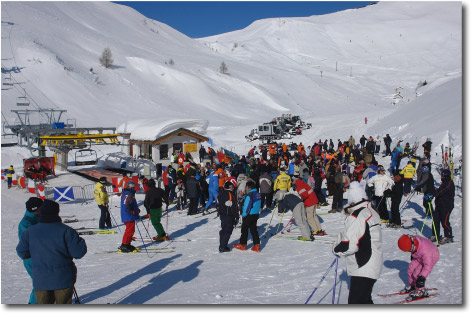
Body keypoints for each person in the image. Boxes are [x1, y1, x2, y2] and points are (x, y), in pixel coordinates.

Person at [16, 199, 87, 304]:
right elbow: (78, 253)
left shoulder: (30, 231)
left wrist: (37, 252)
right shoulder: (66, 230)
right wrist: (80, 241)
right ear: (57, 212)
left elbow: (22, 252)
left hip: (41, 278)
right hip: (62, 278)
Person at [333, 182, 382, 304]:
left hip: (363, 265)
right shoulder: (370, 210)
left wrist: (336, 249)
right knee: (365, 301)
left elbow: (350, 245)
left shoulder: (358, 215)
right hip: (371, 264)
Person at [397, 234, 439, 300]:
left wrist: (422, 277)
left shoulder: (426, 252)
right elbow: (410, 242)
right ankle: (413, 284)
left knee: (417, 274)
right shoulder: (414, 240)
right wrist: (412, 254)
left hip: (432, 256)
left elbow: (428, 266)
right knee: (410, 269)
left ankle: (421, 290)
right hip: (418, 255)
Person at [18, 197, 43, 304]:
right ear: (35, 210)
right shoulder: (26, 223)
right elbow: (34, 240)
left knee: (45, 282)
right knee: (40, 283)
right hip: (31, 258)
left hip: (42, 256)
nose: (41, 211)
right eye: (39, 209)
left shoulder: (38, 216)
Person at [233, 181, 262, 252]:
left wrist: (243, 215)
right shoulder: (257, 193)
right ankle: (257, 245)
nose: (245, 188)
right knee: (253, 230)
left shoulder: (249, 195)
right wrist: (244, 196)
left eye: (246, 187)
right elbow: (252, 199)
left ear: (248, 187)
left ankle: (242, 245)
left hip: (249, 215)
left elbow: (247, 206)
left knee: (244, 230)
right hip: (255, 214)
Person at [433, 169, 455, 244]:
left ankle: (448, 236)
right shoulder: (443, 183)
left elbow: (444, 191)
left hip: (446, 206)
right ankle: (436, 235)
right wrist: (433, 193)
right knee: (436, 220)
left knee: (444, 221)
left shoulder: (449, 183)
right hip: (439, 205)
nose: (441, 176)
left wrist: (436, 193)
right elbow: (439, 190)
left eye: (442, 175)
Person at [217, 181, 239, 252]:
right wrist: (237, 216)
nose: (233, 188)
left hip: (222, 215)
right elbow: (234, 206)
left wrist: (219, 211)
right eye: (232, 187)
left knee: (223, 229)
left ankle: (222, 244)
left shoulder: (220, 194)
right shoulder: (231, 194)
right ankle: (223, 247)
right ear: (230, 187)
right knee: (228, 231)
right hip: (229, 215)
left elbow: (217, 205)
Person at [119, 180, 141, 252]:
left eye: (134, 186)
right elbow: (127, 203)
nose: (133, 188)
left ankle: (127, 243)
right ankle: (125, 245)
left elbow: (129, 203)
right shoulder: (129, 194)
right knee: (130, 230)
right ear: (129, 186)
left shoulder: (126, 193)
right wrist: (132, 210)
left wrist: (135, 208)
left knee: (130, 230)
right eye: (132, 186)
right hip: (128, 215)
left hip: (127, 214)